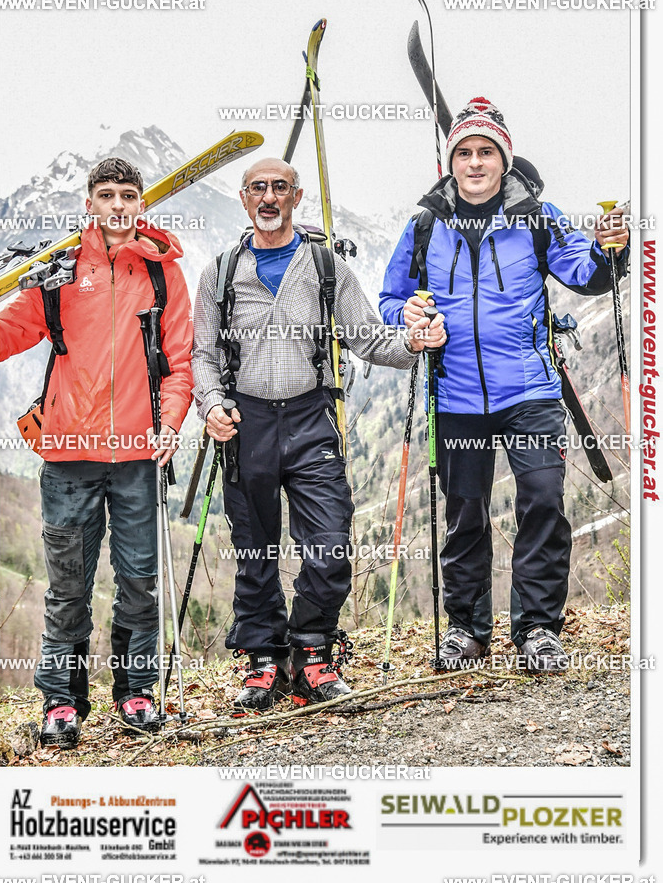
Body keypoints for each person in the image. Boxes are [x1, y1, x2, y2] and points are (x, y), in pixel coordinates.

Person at [379, 97, 629, 672]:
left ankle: (538, 630)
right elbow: (392, 299)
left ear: (503, 159)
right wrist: (409, 317)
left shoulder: (537, 217)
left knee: (542, 502)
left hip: (531, 391)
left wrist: (607, 250)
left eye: (486, 152)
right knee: (465, 513)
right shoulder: (424, 226)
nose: (474, 162)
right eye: (464, 152)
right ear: (451, 162)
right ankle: (467, 630)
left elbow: (587, 274)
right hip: (456, 394)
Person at [192, 157, 436, 711]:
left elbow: (369, 338)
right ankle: (264, 660)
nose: (269, 197)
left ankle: (312, 651)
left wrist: (412, 343)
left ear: (296, 197)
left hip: (310, 418)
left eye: (280, 187)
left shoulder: (326, 268)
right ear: (244, 197)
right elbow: (203, 354)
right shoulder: (221, 273)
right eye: (258, 188)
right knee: (255, 551)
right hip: (245, 423)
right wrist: (211, 404)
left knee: (329, 545)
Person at [0, 158, 193, 746]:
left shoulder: (161, 273)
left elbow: (179, 365)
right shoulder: (57, 273)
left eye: (127, 194)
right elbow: (2, 337)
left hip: (138, 456)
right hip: (67, 457)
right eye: (106, 195)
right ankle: (61, 702)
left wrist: (170, 423)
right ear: (89, 204)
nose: (117, 204)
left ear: (141, 203)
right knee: (68, 587)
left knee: (139, 583)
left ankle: (136, 692)